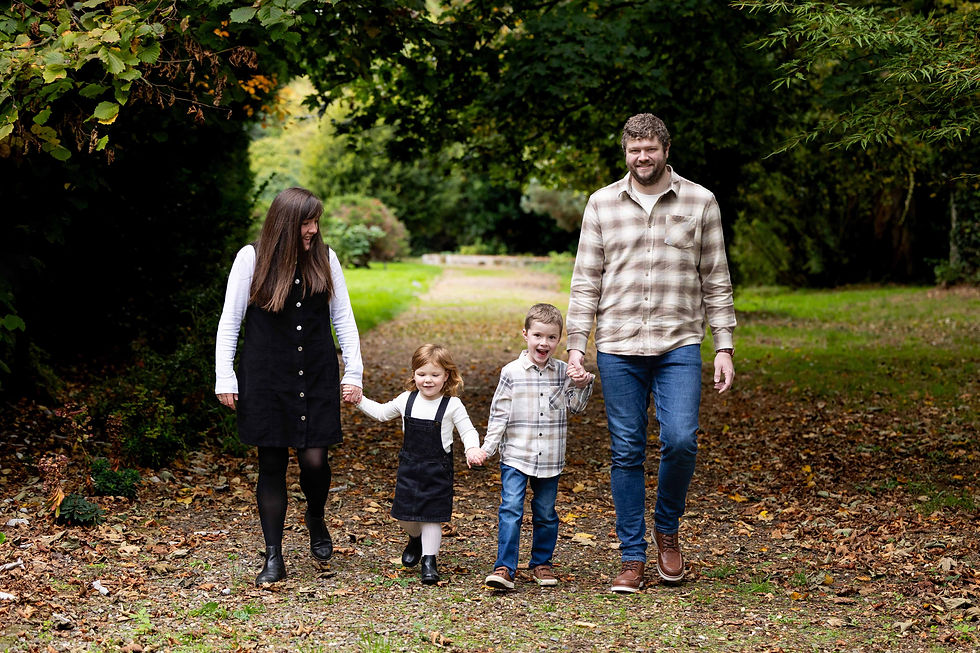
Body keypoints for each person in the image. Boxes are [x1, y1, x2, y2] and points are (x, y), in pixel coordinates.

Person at [566, 113, 736, 593]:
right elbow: (585, 281)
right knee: (626, 452)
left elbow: (716, 277)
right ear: (626, 153)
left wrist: (723, 344)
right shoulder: (601, 203)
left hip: (679, 341)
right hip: (618, 346)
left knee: (681, 440)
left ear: (666, 149)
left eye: (650, 149)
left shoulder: (700, 201)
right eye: (634, 150)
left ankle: (667, 527)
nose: (643, 158)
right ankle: (632, 557)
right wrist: (576, 345)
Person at [215, 187, 363, 586]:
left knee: (315, 460)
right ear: (285, 223)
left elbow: (343, 319)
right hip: (265, 378)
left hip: (315, 373)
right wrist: (224, 376)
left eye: (316, 221)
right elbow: (230, 322)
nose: (313, 229)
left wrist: (354, 372)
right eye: (306, 222)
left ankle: (315, 514)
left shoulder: (325, 258)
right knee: (272, 464)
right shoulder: (251, 258)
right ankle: (274, 555)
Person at [480, 303, 594, 590]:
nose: (544, 343)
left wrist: (582, 384)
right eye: (538, 335)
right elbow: (499, 414)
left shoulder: (563, 372)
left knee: (545, 512)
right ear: (525, 334)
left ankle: (542, 563)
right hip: (517, 454)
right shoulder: (511, 372)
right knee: (511, 510)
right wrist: (487, 448)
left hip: (550, 457)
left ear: (559, 340)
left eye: (552, 337)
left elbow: (576, 408)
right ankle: (504, 567)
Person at [356, 343, 485, 584]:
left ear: (446, 376)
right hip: (410, 467)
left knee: (432, 517)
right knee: (406, 515)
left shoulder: (452, 405)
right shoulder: (407, 400)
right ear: (413, 374)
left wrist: (472, 448)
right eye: (421, 374)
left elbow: (468, 430)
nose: (428, 380)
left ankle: (429, 561)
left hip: (437, 470)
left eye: (435, 375)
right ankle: (415, 539)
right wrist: (359, 399)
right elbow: (382, 413)